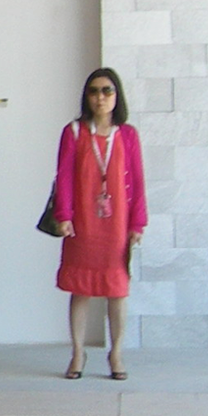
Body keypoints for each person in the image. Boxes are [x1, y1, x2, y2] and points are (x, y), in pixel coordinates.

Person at [52, 68, 147, 380]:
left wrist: (138, 224)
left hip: (117, 226)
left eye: (107, 90)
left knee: (117, 290)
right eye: (94, 91)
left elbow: (138, 180)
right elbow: (63, 177)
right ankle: (78, 352)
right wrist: (63, 216)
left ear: (116, 95)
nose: (100, 97)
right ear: (86, 96)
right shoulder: (75, 132)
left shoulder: (128, 135)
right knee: (81, 289)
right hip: (82, 224)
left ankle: (116, 353)